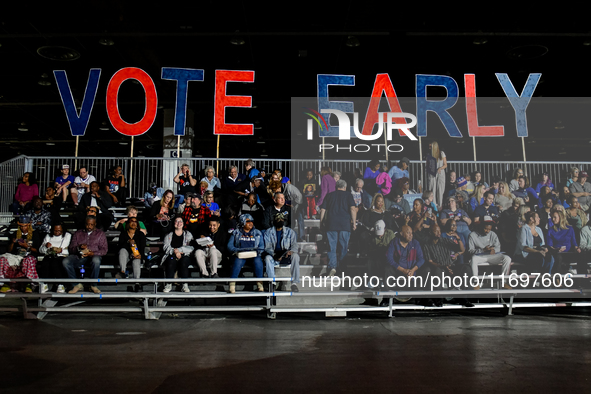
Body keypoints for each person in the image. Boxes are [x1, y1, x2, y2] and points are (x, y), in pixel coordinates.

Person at [421, 224, 473, 307]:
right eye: (436, 231)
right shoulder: (427, 244)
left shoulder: (445, 241)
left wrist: (458, 238)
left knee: (466, 268)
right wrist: (443, 266)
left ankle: (463, 297)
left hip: (451, 266)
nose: (439, 233)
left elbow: (461, 250)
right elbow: (429, 261)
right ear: (430, 232)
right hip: (439, 267)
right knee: (437, 271)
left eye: (439, 231)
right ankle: (439, 299)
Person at [320, 179, 357, 276]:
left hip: (331, 224)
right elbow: (353, 209)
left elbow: (323, 209)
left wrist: (321, 222)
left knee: (331, 247)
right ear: (345, 187)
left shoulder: (329, 195)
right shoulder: (348, 195)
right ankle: (342, 268)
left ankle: (332, 267)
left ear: (336, 187)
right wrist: (354, 223)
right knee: (343, 247)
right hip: (345, 225)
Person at [63, 216, 108, 294]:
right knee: (66, 261)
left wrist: (93, 253)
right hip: (80, 256)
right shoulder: (78, 233)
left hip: (94, 255)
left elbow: (104, 250)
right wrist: (79, 247)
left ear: (95, 224)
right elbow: (71, 248)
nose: (89, 226)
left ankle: (93, 285)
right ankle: (76, 284)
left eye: (91, 224)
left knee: (96, 260)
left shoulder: (100, 234)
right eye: (87, 224)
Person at [468, 217, 512, 290]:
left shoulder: (493, 234)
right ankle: (476, 282)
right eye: (486, 229)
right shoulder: (472, 235)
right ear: (481, 226)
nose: (487, 231)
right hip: (480, 256)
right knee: (473, 259)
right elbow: (470, 251)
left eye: (489, 229)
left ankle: (504, 282)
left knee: (507, 258)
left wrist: (494, 250)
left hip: (492, 256)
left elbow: (498, 247)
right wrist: (483, 250)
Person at [0, 216, 40, 293]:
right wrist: (12, 242)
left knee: (28, 260)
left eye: (25, 226)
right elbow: (9, 250)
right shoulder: (15, 234)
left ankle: (29, 283)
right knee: (2, 259)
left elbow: (37, 250)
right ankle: (5, 282)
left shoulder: (35, 234)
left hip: (29, 256)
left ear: (28, 225)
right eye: (21, 226)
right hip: (15, 257)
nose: (23, 228)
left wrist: (26, 246)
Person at [227, 214, 265, 293]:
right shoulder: (236, 232)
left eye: (252, 221)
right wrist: (237, 251)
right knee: (238, 261)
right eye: (248, 221)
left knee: (258, 261)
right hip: (241, 254)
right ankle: (232, 284)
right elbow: (230, 246)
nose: (251, 223)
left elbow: (261, 246)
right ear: (242, 222)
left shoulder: (257, 233)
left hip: (254, 254)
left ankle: (260, 284)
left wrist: (257, 251)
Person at [263, 212, 301, 292]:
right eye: (278, 219)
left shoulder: (290, 232)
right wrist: (274, 255)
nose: (280, 220)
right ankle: (272, 282)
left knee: (296, 256)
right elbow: (267, 247)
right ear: (274, 221)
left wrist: (291, 251)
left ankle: (294, 283)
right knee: (267, 258)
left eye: (282, 219)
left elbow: (294, 245)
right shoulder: (268, 232)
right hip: (274, 256)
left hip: (286, 256)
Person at [162, 217, 194, 293]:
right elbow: (165, 246)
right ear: (173, 223)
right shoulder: (169, 235)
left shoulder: (188, 234)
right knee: (170, 262)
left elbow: (191, 247)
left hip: (184, 255)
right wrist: (174, 251)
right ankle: (168, 284)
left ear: (183, 223)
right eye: (176, 221)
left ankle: (185, 284)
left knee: (184, 262)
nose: (178, 223)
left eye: (180, 221)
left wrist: (179, 250)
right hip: (171, 254)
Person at [38, 223, 71, 293]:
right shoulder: (48, 236)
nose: (57, 233)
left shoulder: (67, 235)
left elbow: (68, 249)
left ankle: (60, 284)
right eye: (55, 231)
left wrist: (61, 250)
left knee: (56, 263)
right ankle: (44, 284)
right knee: (45, 263)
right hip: (49, 255)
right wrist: (46, 247)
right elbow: (41, 250)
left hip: (61, 255)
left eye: (59, 231)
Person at [547, 209, 580, 275]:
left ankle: (583, 280)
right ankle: (557, 278)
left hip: (568, 253)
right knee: (558, 257)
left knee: (582, 255)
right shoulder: (550, 230)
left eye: (555, 217)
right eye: (552, 217)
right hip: (557, 253)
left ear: (560, 217)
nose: (553, 219)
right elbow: (550, 246)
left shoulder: (570, 229)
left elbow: (574, 243)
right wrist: (557, 249)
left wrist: (577, 248)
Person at [116, 217, 146, 288]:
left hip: (136, 254)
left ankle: (137, 282)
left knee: (136, 260)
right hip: (126, 255)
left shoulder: (140, 234)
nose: (133, 223)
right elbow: (120, 246)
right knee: (122, 250)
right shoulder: (123, 234)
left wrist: (139, 255)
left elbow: (142, 247)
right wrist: (129, 242)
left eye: (135, 222)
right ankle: (122, 271)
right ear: (128, 223)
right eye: (131, 221)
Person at [426, 141, 447, 208]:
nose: (429, 148)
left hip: (440, 173)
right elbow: (427, 165)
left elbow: (445, 164)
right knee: (432, 189)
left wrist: (440, 168)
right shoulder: (429, 155)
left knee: (440, 189)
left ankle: (440, 205)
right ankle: (433, 205)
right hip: (432, 173)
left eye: (430, 147)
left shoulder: (441, 153)